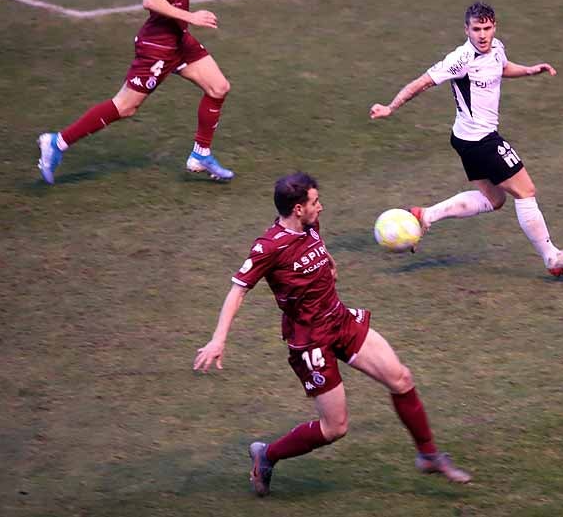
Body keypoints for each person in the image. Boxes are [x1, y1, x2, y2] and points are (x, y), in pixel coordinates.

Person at [193, 172, 471, 496]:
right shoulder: (268, 247)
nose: (320, 207)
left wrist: (334, 265)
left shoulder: (309, 226)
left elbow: (319, 254)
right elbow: (237, 290)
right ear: (298, 208)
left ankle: (428, 455)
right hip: (311, 342)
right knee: (335, 427)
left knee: (401, 379)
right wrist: (218, 339)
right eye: (315, 202)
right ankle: (267, 455)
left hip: (339, 320)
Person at [369, 1, 563, 277]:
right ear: (466, 29)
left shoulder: (496, 48)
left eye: (487, 28)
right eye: (476, 29)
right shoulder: (460, 59)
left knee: (495, 200)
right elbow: (421, 82)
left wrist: (530, 70)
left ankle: (426, 216)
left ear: (494, 26)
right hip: (480, 141)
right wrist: (391, 107)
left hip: (465, 139)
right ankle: (551, 257)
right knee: (525, 191)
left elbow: (502, 67)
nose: (482, 35)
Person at [37, 0, 234, 184]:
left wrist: (176, 13)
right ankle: (57, 142)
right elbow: (150, 0)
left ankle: (200, 155)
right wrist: (191, 16)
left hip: (177, 39)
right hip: (159, 45)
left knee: (218, 87)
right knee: (125, 106)